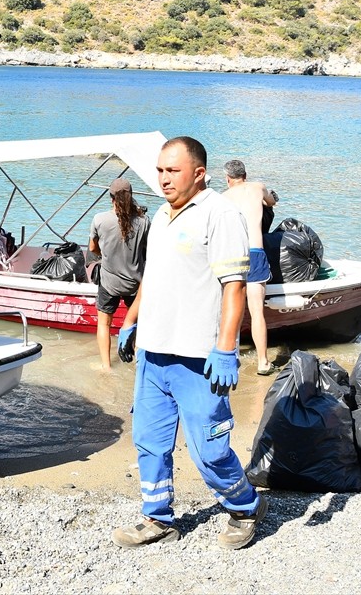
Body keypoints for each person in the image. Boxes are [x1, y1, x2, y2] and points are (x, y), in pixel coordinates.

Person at [112, 137, 264, 550]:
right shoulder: (161, 215)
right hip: (154, 352)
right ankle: (157, 517)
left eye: (173, 171)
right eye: (160, 170)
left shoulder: (220, 214)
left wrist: (227, 348)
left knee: (209, 449)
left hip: (199, 358)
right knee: (149, 440)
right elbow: (152, 278)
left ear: (198, 173)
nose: (163, 179)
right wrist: (129, 322)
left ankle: (245, 507)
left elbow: (234, 287)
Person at [222, 159, 280, 375]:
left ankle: (231, 357)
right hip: (255, 254)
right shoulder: (258, 187)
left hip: (232, 256)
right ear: (245, 175)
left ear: (228, 179)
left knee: (230, 310)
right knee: (257, 313)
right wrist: (269, 200)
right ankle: (263, 362)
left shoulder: (222, 198)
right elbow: (271, 202)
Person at [88, 178, 149, 370]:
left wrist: (104, 254)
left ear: (110, 197)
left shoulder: (100, 219)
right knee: (138, 325)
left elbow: (92, 248)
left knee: (104, 323)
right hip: (135, 284)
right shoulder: (144, 221)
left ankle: (106, 367)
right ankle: (139, 366)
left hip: (109, 282)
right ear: (131, 197)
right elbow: (148, 252)